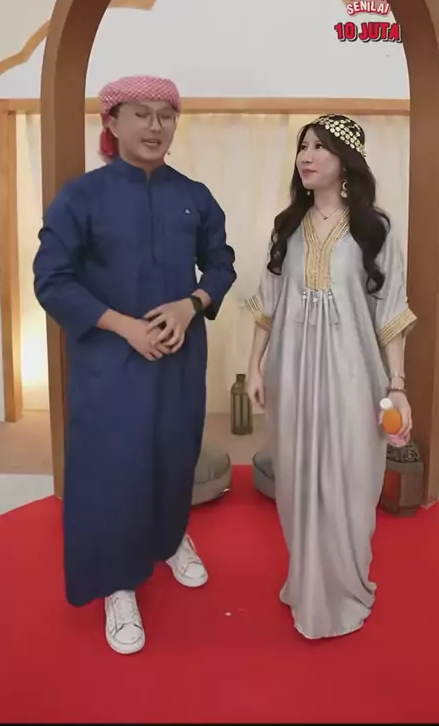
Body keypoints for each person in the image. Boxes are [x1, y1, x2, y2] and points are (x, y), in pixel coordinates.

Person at [33, 75, 236, 654]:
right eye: (141, 114)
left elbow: (221, 263)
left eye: (166, 115)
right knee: (112, 471)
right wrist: (124, 327)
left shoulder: (194, 195)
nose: (155, 126)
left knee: (174, 455)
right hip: (108, 364)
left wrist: (191, 304)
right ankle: (117, 585)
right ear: (112, 123)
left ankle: (170, 541)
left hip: (177, 358)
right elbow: (51, 280)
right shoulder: (81, 197)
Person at [246, 114, 416, 640]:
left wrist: (397, 386)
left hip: (352, 374)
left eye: (320, 147)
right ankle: (307, 583)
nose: (307, 156)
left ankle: (345, 585)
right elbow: (269, 302)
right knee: (298, 475)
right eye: (303, 146)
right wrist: (254, 365)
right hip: (293, 372)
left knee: (350, 473)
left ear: (347, 161)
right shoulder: (287, 227)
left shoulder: (375, 229)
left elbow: (390, 312)